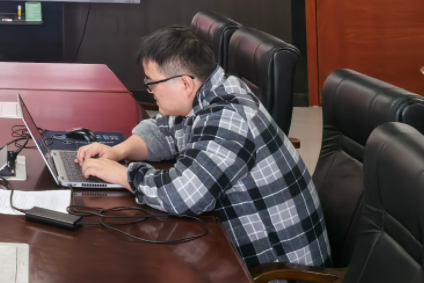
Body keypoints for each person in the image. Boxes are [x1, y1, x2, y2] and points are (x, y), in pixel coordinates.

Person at [75, 26, 331, 270]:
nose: (150, 90)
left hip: (278, 269)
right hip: (241, 249)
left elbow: (181, 196)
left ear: (185, 84)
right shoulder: (210, 91)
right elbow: (163, 132)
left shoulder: (227, 119)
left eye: (152, 82)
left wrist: (122, 174)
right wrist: (118, 152)